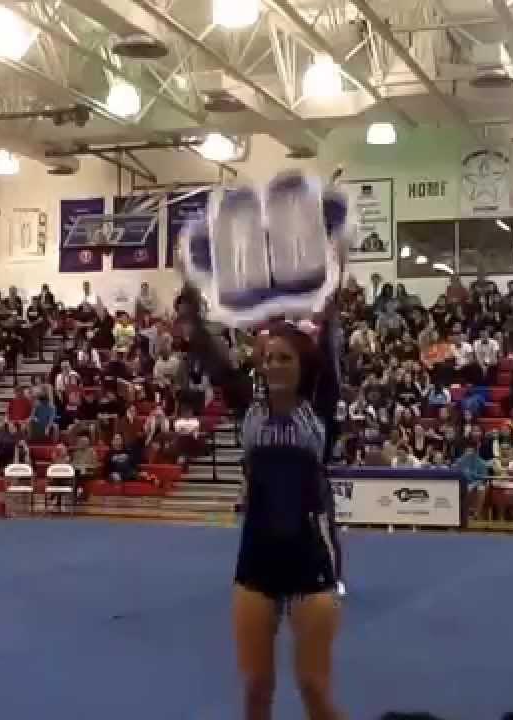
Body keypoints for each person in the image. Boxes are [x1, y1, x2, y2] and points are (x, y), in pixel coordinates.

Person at [177, 280, 344, 720]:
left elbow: (330, 345)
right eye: (268, 358)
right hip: (256, 559)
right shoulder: (248, 408)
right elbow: (211, 357)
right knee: (256, 689)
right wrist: (191, 303)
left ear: (302, 366)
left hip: (309, 557)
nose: (272, 366)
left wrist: (333, 289)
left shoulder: (319, 408)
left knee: (314, 690)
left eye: (283, 358)